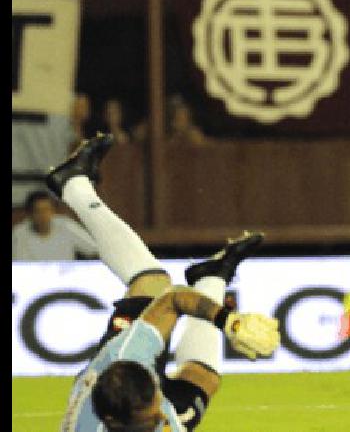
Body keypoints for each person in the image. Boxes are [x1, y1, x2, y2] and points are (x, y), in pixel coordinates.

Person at [48, 133, 280, 431]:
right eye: (153, 417)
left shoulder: (128, 353)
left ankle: (74, 185)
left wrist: (230, 322)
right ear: (112, 423)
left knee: (153, 283)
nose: (162, 418)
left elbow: (172, 300)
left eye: (157, 406)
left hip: (116, 375)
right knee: (203, 378)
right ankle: (212, 276)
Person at [12, 190, 98, 261]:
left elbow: (95, 250)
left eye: (46, 210)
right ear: (29, 213)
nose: (43, 215)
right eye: (37, 211)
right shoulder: (19, 233)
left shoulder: (66, 225)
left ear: (53, 211)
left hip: (65, 278)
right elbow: (18, 266)